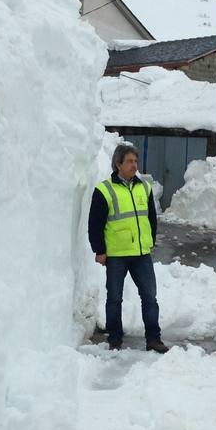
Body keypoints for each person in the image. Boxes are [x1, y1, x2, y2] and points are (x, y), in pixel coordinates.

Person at [88, 143, 169, 353]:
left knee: (150, 297)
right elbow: (94, 223)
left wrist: (150, 241)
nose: (134, 166)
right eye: (130, 162)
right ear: (118, 165)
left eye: (136, 161)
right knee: (114, 298)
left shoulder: (144, 187)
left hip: (141, 254)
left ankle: (153, 339)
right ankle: (115, 339)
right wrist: (100, 250)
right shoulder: (104, 190)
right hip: (116, 255)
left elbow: (151, 218)